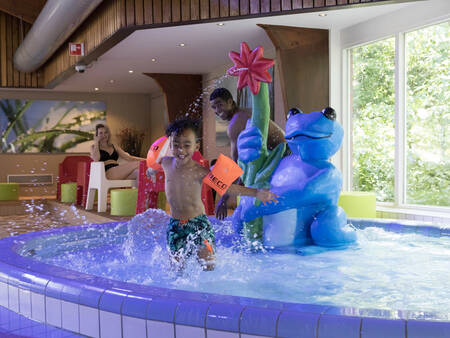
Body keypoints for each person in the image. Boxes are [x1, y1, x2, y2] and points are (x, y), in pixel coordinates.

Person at [153, 118, 278, 271]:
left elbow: (228, 188)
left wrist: (256, 193)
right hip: (175, 226)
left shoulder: (199, 171)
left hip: (198, 224)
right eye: (176, 145)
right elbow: (154, 162)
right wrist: (150, 170)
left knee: (208, 267)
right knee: (176, 270)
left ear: (196, 146)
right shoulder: (166, 163)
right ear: (170, 145)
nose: (181, 150)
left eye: (187, 145)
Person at [209, 88, 285, 219]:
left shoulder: (235, 123)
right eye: (213, 107)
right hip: (284, 155)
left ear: (230, 102)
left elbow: (238, 167)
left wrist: (224, 198)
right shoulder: (245, 113)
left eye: (220, 105)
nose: (217, 111)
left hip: (280, 158)